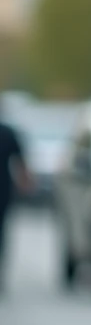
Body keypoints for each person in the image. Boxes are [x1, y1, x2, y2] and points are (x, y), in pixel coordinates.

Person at [0, 114, 31, 291]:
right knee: (2, 232)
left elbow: (21, 162)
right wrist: (26, 183)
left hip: (3, 190)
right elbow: (22, 164)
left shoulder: (8, 132)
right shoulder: (8, 132)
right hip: (3, 189)